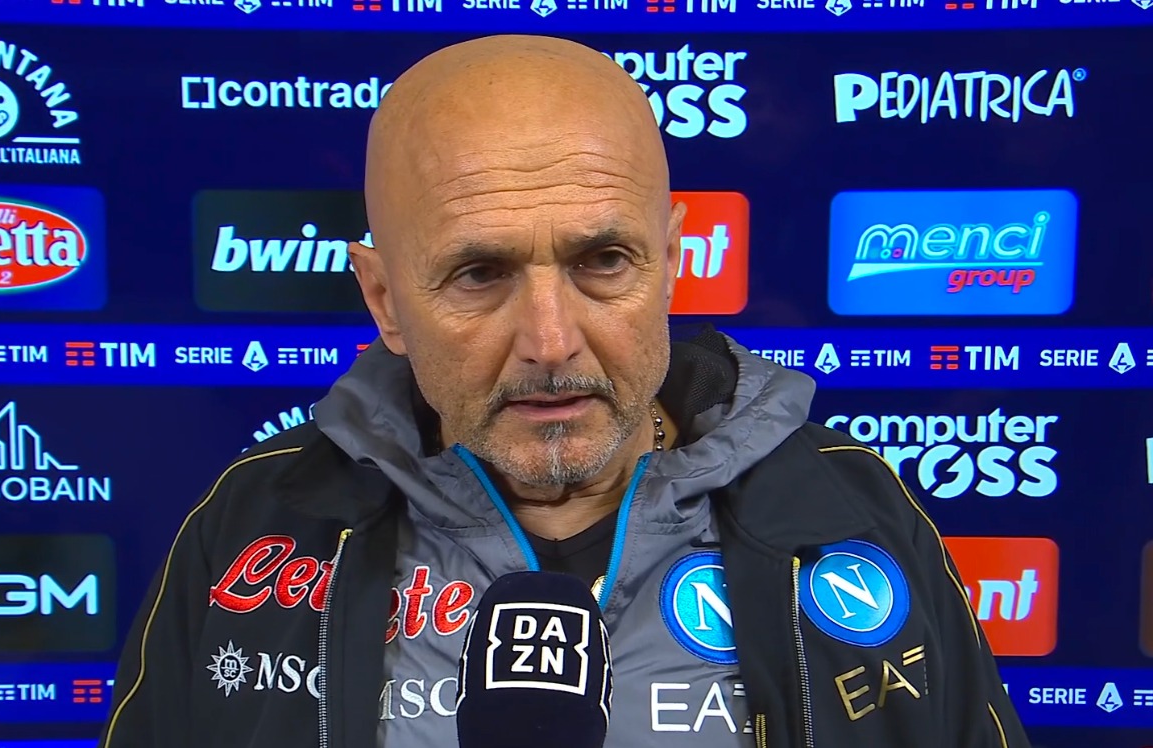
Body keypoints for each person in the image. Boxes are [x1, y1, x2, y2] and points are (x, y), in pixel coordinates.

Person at [98, 34, 1029, 748]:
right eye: (479, 275)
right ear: (384, 300)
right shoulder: (254, 525)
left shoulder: (848, 510)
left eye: (603, 261)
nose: (550, 341)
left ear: (672, 263)